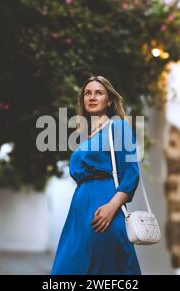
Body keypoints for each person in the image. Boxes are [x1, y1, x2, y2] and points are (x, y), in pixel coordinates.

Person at [51, 75, 141, 275]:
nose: (92, 97)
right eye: (87, 93)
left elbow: (131, 174)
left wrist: (111, 207)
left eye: (98, 93)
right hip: (79, 215)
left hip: (105, 211)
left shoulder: (118, 127)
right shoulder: (85, 136)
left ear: (109, 100)